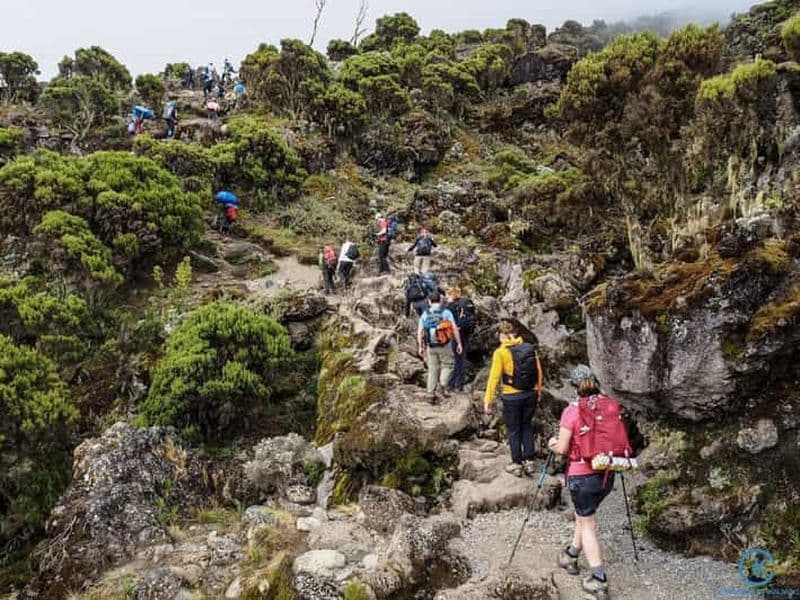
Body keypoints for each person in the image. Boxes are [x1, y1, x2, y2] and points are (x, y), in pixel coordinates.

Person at [548, 365, 616, 598]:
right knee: (583, 514)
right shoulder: (608, 406)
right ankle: (571, 554)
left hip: (582, 475)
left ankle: (598, 578)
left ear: (575, 388)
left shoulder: (572, 412)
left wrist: (551, 443)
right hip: (606, 474)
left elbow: (562, 449)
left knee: (588, 524)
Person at [483, 320, 543, 477]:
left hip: (511, 396)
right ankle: (530, 461)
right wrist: (538, 391)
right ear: (515, 334)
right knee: (527, 426)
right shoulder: (529, 348)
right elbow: (538, 371)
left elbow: (494, 378)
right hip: (530, 393)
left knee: (514, 429)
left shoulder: (500, 353)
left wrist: (488, 400)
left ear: (503, 336)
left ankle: (516, 463)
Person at [418, 292, 462, 403]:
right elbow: (454, 328)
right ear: (440, 300)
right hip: (445, 345)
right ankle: (443, 384)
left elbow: (420, 331)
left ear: (429, 301)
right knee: (447, 365)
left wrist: (420, 346)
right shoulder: (446, 313)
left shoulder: (425, 314)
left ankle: (430, 392)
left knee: (432, 368)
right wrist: (459, 343)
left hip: (430, 346)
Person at [446, 287, 476, 391]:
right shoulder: (467, 302)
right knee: (461, 358)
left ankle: (456, 384)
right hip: (466, 332)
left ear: (451, 295)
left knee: (458, 359)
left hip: (456, 333)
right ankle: (456, 384)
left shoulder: (451, 306)